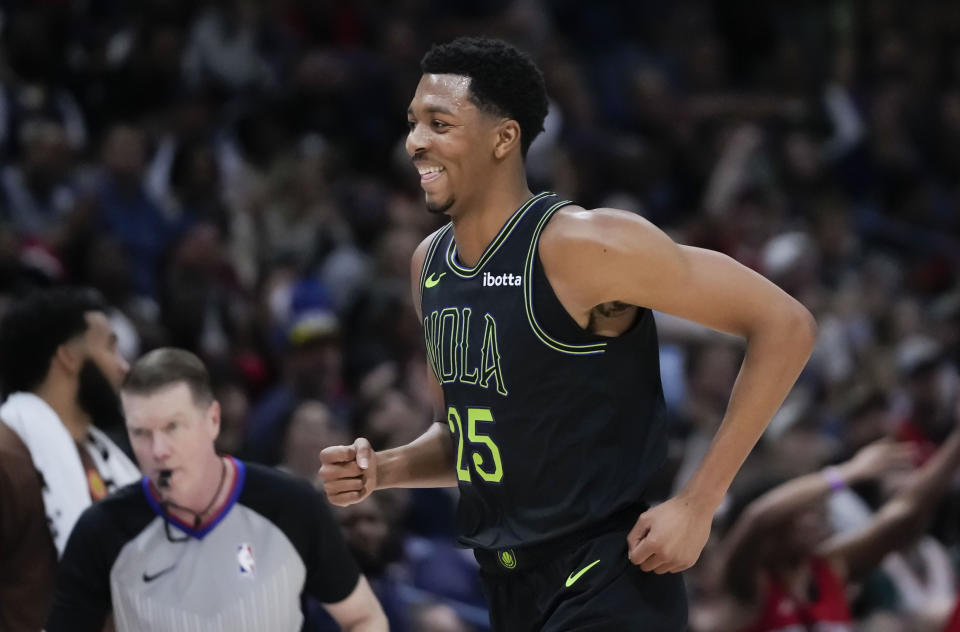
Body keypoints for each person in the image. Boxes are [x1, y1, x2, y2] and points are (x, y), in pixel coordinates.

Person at [320, 36, 817, 631]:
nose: (415, 141)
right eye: (413, 122)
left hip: (604, 576)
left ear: (504, 138)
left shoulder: (584, 245)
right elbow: (467, 442)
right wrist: (386, 468)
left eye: (439, 123)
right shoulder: (429, 264)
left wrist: (699, 502)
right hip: (507, 587)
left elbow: (786, 324)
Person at [46, 348, 387, 632]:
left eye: (173, 426)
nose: (159, 449)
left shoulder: (290, 505)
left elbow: (363, 617)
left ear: (212, 420)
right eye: (141, 432)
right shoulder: (102, 529)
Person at [711, 412, 960, 631]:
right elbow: (758, 516)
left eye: (818, 511)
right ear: (776, 529)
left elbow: (905, 512)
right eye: (803, 513)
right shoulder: (747, 584)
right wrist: (849, 472)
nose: (816, 519)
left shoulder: (832, 569)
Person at [0, 286, 139, 632]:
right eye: (110, 346)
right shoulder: (7, 458)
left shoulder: (102, 457)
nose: (125, 367)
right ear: (68, 358)